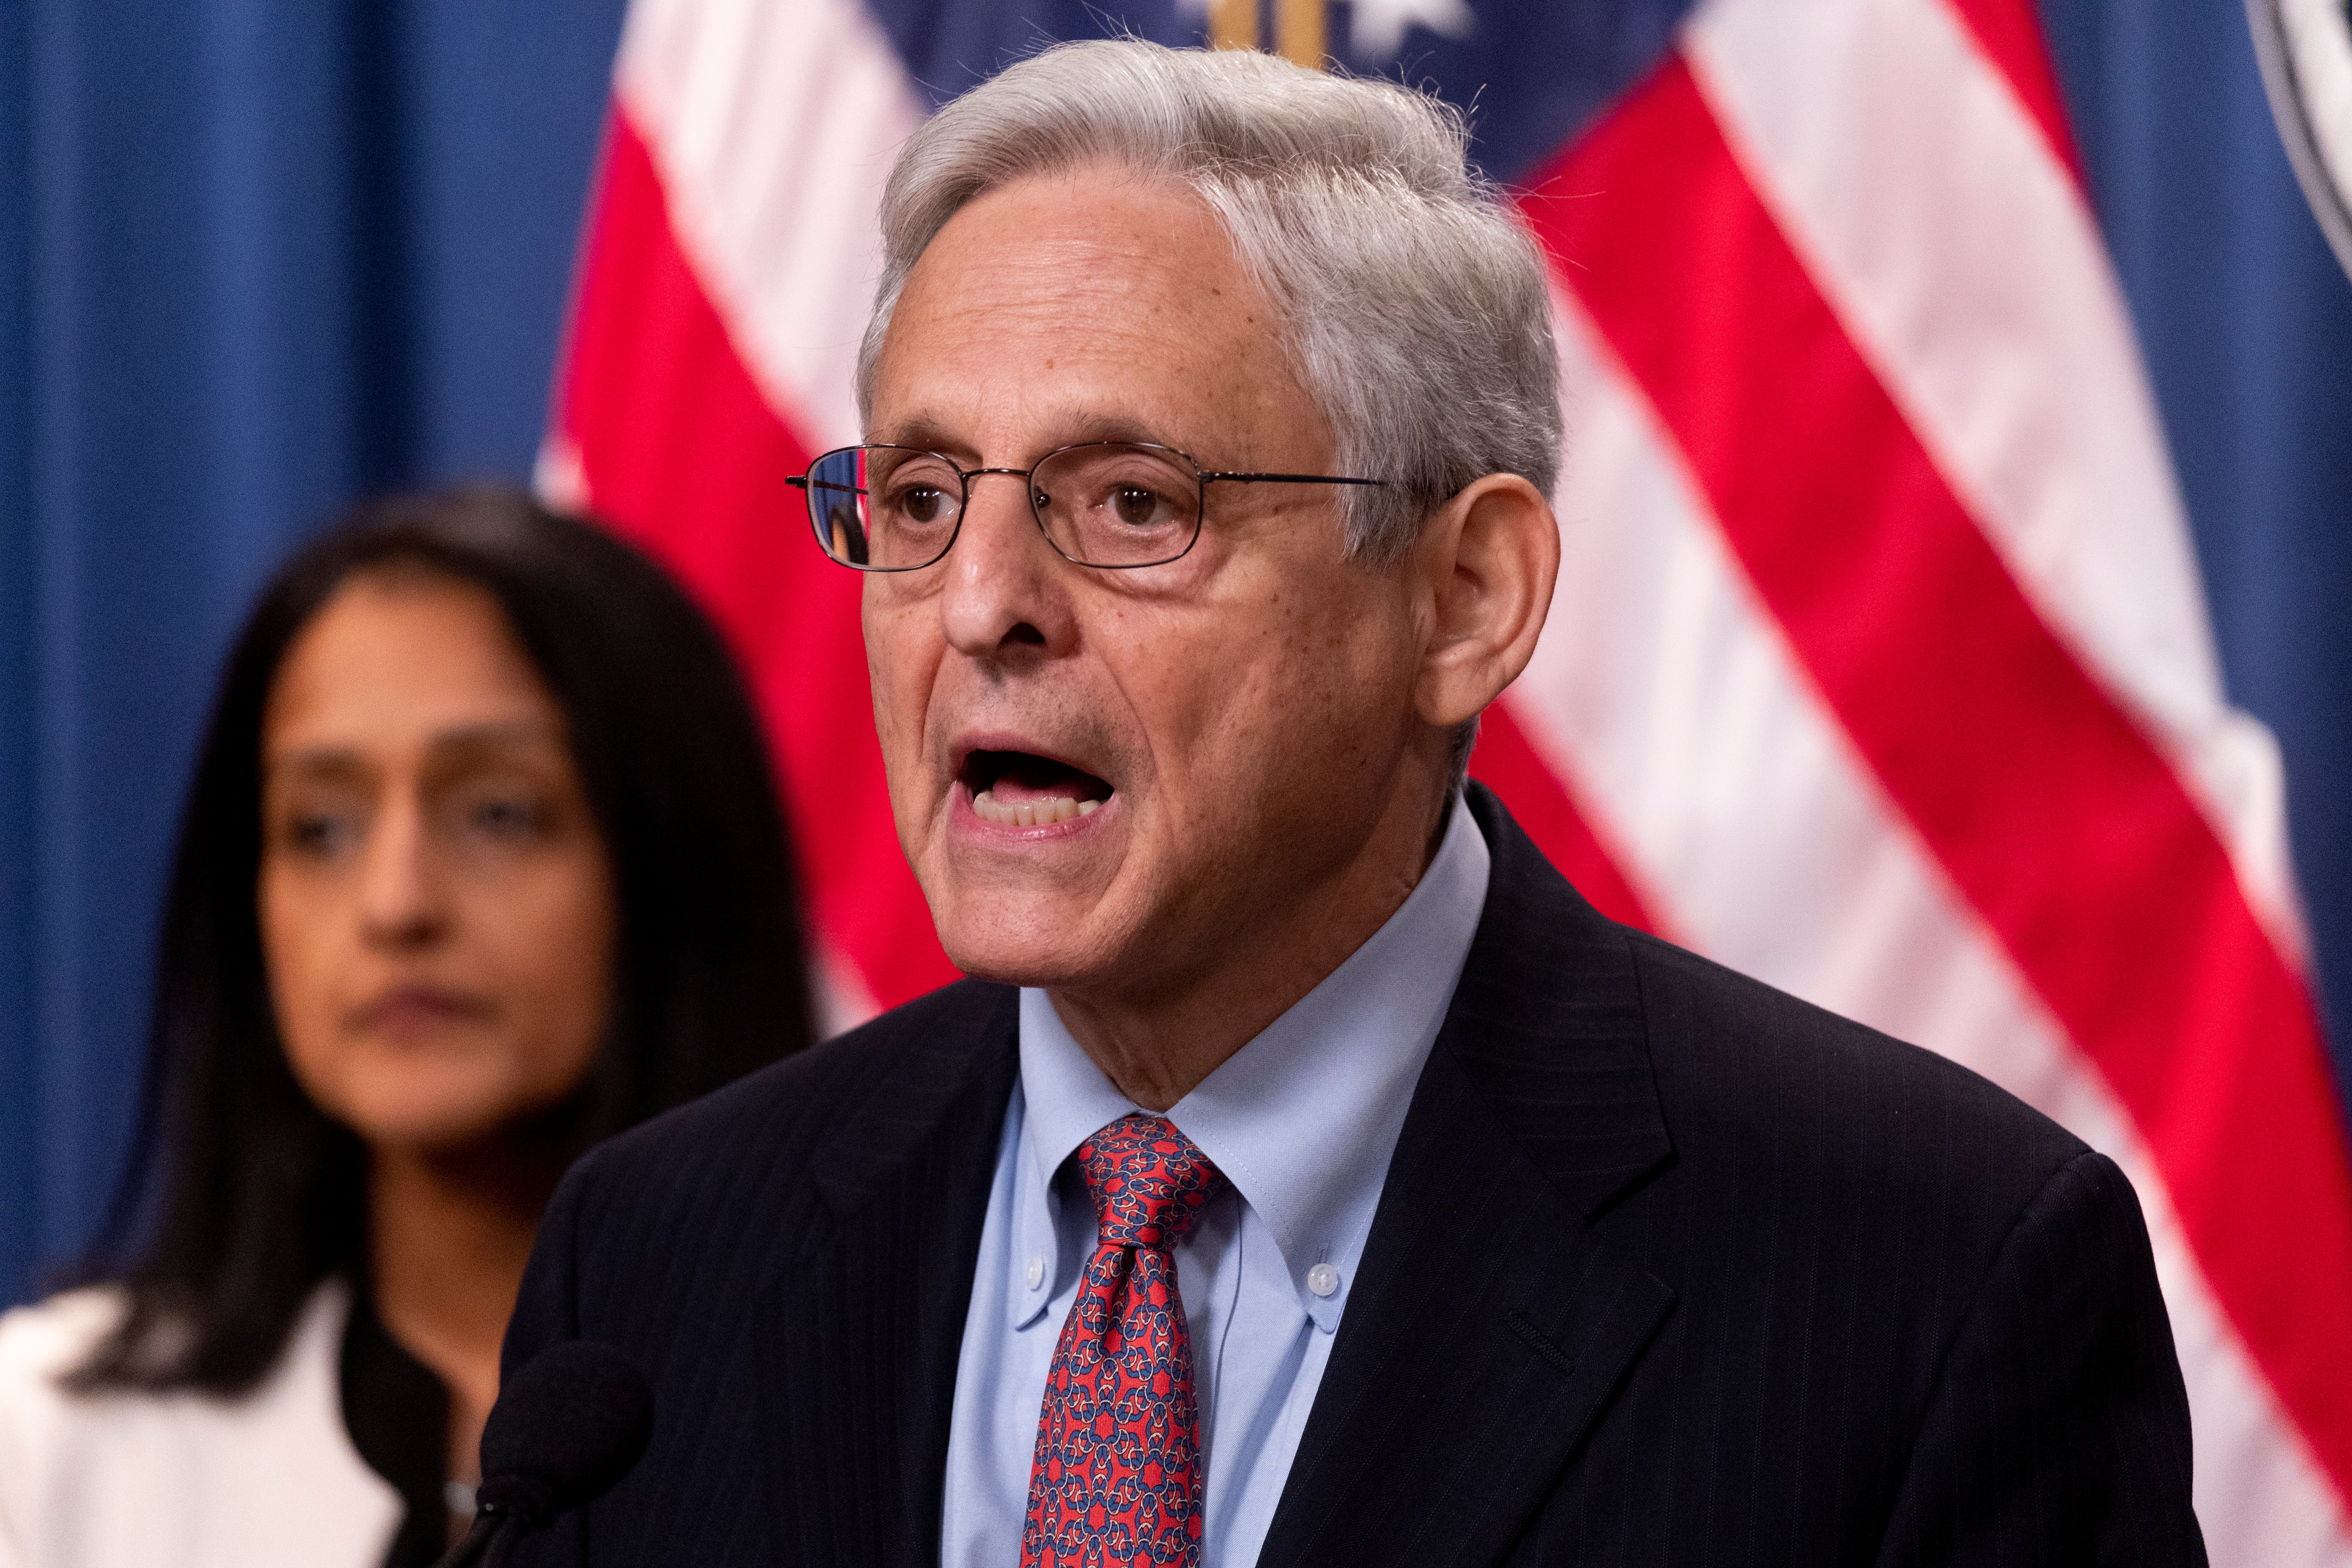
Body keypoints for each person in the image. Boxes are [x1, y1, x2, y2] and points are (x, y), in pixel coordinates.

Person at [498, 40, 2205, 1568]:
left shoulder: (1925, 1279)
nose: (977, 605)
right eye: (926, 496)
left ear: (1466, 596)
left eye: (1133, 502)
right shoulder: (656, 1268)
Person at [0, 486, 818, 1568]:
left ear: (668, 862)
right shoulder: (50, 1443)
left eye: (498, 811)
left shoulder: (887, 1409)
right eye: (321, 825)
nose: (395, 903)